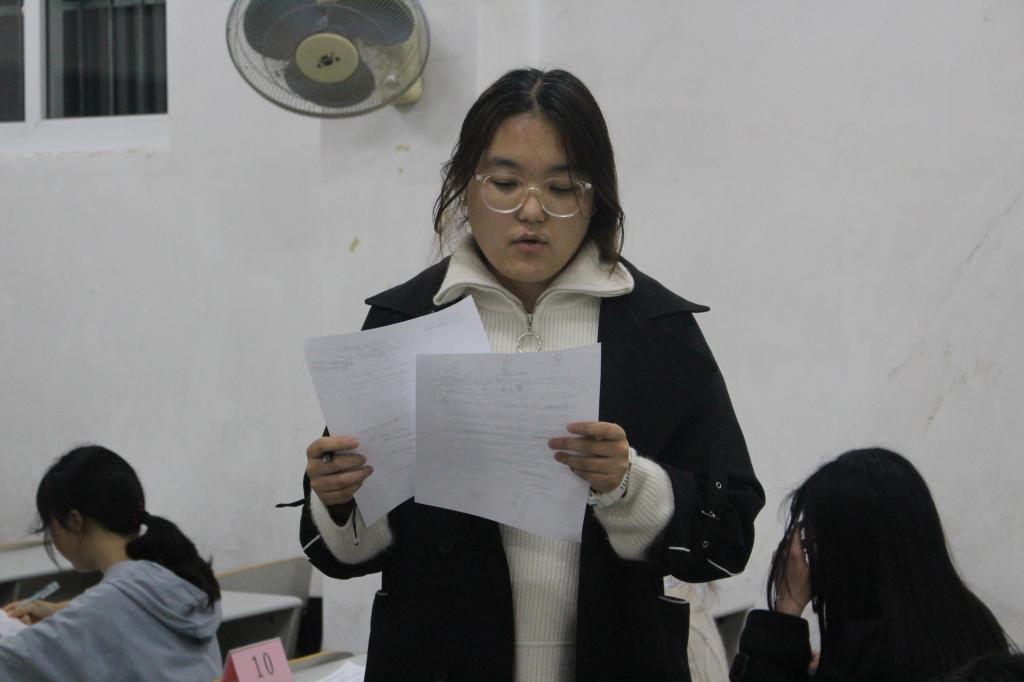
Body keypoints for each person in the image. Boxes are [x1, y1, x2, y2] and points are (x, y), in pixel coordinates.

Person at [299, 67, 764, 682]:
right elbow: (345, 554)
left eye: (562, 187)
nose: (531, 210)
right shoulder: (407, 320)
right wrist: (337, 498)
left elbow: (727, 538)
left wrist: (628, 485)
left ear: (596, 198)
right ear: (465, 186)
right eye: (505, 183)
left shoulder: (657, 331)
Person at [730, 448, 1010, 682]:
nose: (807, 558)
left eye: (813, 539)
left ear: (849, 551)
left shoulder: (871, 655)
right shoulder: (969, 626)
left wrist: (786, 610)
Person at [0, 445, 222, 682]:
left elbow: (11, 662)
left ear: (75, 521)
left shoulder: (102, 610)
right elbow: (123, 612)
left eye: (50, 525)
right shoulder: (180, 579)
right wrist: (59, 612)